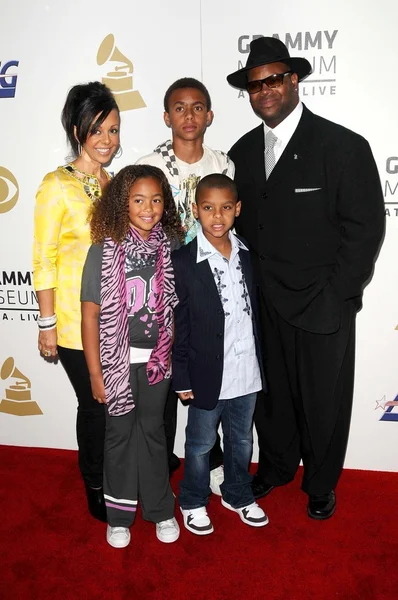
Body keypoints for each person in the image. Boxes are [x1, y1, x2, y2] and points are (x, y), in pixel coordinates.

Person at [227, 37, 385, 519]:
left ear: (294, 80)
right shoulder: (242, 152)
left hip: (323, 302)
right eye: (255, 85)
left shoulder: (343, 146)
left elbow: (365, 230)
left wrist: (337, 295)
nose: (264, 91)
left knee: (323, 402)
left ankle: (321, 482)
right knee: (272, 397)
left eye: (273, 79)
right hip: (265, 303)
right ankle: (275, 467)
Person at [136, 77, 235, 494]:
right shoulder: (148, 165)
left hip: (210, 286)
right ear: (166, 116)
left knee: (208, 369)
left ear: (209, 115)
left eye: (197, 107)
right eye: (179, 107)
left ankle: (213, 458)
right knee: (165, 373)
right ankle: (160, 463)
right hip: (163, 289)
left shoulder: (224, 163)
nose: (189, 115)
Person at [81, 164, 183, 548]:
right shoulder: (103, 250)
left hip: (158, 361)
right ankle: (119, 516)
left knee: (154, 433)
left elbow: (178, 307)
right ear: (121, 204)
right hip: (116, 363)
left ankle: (160, 509)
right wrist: (95, 373)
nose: (148, 207)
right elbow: (90, 314)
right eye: (138, 199)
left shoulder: (172, 246)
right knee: (119, 435)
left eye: (156, 199)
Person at [33, 82, 120, 522]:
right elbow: (43, 258)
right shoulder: (56, 185)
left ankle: (116, 475)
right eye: (97, 130)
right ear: (77, 129)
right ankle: (95, 484)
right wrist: (47, 323)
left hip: (117, 317)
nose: (107, 140)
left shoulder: (115, 183)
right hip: (71, 320)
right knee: (95, 405)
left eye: (113, 130)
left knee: (115, 405)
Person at [172, 173, 268, 535]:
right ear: (195, 210)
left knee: (242, 440)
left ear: (237, 209)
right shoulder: (183, 261)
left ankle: (238, 493)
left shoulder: (248, 256)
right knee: (199, 444)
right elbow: (178, 324)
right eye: (208, 208)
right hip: (204, 373)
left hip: (247, 370)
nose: (217, 216)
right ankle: (193, 500)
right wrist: (180, 374)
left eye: (226, 207)